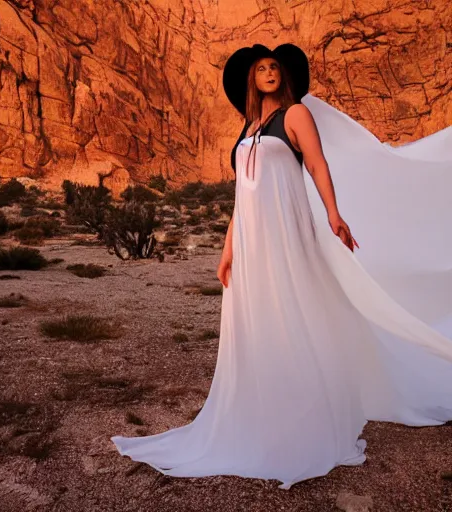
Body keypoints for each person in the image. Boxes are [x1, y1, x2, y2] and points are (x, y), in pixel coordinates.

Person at [111, 43, 452, 490]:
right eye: (261, 68)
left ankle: (307, 420)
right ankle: (266, 414)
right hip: (252, 244)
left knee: (296, 315)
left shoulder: (294, 115)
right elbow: (242, 195)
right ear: (251, 79)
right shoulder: (248, 127)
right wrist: (228, 249)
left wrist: (334, 214)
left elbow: (317, 164)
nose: (269, 72)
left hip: (286, 235)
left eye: (275, 67)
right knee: (261, 323)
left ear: (284, 76)